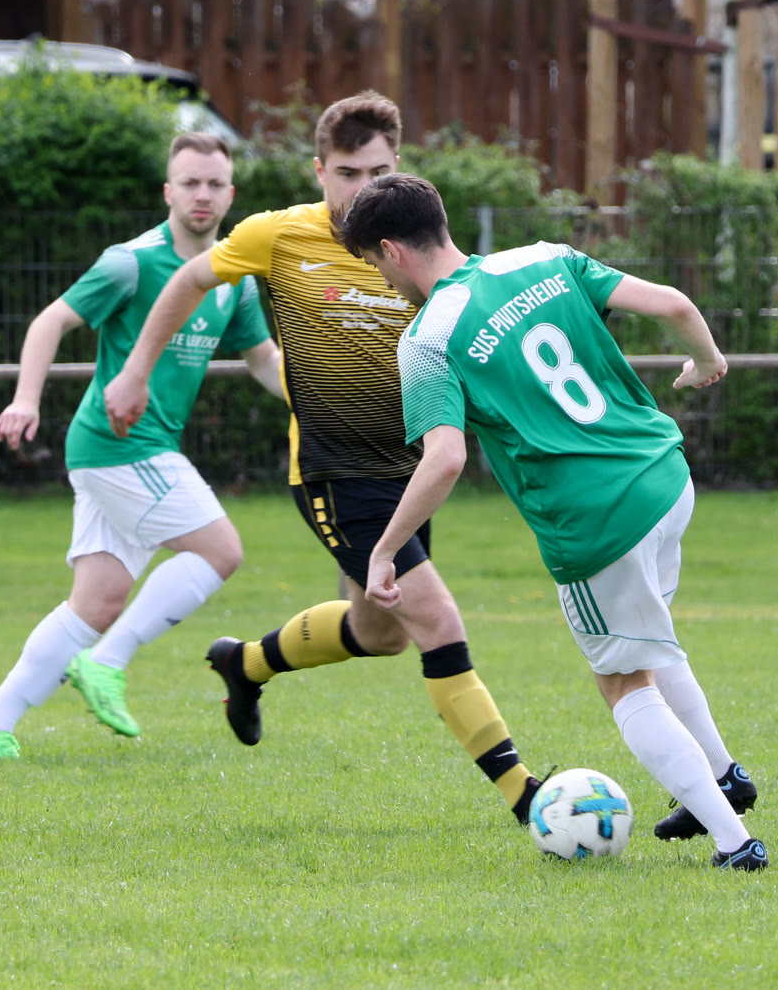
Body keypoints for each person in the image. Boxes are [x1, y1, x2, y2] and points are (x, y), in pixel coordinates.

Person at [103, 92, 541, 825]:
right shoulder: (278, 236)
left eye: (378, 173)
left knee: (380, 633)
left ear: (398, 167)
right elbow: (189, 280)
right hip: (336, 474)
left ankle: (244, 663)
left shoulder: (414, 246)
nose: (362, 189)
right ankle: (528, 798)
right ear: (318, 171)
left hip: (410, 474)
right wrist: (136, 370)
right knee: (436, 619)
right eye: (346, 173)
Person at [337, 173, 766, 869]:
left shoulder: (426, 340)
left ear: (391, 250)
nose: (383, 281)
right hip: (663, 476)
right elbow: (676, 304)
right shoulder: (541, 258)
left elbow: (444, 459)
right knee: (649, 644)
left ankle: (734, 841)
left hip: (596, 520)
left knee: (622, 681)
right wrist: (708, 360)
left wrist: (385, 550)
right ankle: (722, 777)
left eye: (374, 265)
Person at [0, 132, 285, 758]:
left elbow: (264, 360)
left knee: (96, 603)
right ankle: (107, 662)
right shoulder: (131, 263)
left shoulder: (234, 280)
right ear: (168, 191)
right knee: (221, 550)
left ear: (231, 194)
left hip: (127, 452)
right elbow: (51, 320)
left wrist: (323, 397)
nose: (203, 194)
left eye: (215, 184)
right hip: (120, 444)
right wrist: (26, 399)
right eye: (190, 183)